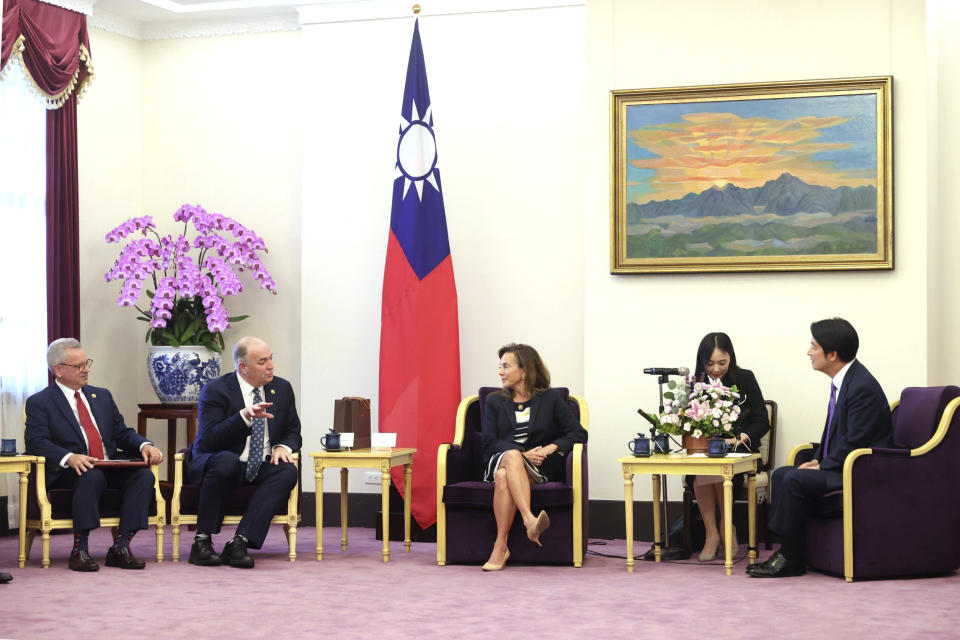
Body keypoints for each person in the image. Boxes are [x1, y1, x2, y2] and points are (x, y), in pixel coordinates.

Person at [747, 318, 893, 578]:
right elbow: (833, 437)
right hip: (844, 464)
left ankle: (789, 557)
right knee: (782, 473)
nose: (809, 352)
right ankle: (791, 552)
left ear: (833, 354)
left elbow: (856, 442)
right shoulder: (845, 381)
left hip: (862, 472)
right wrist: (817, 459)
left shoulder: (861, 387)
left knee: (793, 479)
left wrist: (823, 464)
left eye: (814, 346)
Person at [24, 338, 164, 572]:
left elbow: (121, 432)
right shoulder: (41, 402)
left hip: (108, 464)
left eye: (86, 363)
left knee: (143, 476)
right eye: (78, 366)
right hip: (71, 470)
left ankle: (121, 547)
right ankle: (80, 549)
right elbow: (36, 442)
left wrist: (144, 445)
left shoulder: (102, 396)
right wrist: (69, 456)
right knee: (92, 475)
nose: (86, 369)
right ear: (58, 370)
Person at [186, 337, 301, 568]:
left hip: (261, 463)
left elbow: (293, 431)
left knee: (287, 471)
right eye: (262, 361)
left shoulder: (282, 388)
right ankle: (202, 541)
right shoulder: (216, 390)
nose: (271, 366)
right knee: (226, 461)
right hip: (224, 460)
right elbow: (209, 441)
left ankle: (240, 541)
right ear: (243, 367)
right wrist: (243, 418)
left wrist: (282, 446)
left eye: (271, 359)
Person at [479, 343, 588, 571]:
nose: (500, 372)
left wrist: (550, 448)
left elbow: (579, 433)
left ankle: (500, 546)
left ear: (525, 370)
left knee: (503, 477)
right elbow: (489, 441)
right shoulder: (495, 401)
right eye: (500, 367)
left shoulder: (550, 399)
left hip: (539, 468)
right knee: (508, 461)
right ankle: (530, 520)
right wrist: (520, 454)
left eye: (506, 366)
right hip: (500, 458)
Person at [688, 332, 770, 562]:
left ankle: (724, 527)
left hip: (740, 450)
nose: (716, 369)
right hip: (707, 452)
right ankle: (714, 533)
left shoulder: (745, 378)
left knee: (715, 468)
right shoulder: (697, 383)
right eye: (710, 363)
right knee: (706, 466)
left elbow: (762, 421)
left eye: (722, 363)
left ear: (731, 358)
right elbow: (689, 420)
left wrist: (738, 439)